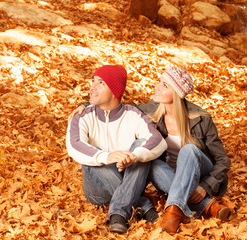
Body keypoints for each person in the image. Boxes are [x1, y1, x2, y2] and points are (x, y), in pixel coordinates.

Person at [66, 65, 167, 234]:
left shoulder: (132, 114)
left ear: (114, 90)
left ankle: (119, 212)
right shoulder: (83, 116)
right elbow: (74, 144)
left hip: (128, 178)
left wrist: (134, 157)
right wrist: (106, 156)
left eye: (100, 83)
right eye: (92, 81)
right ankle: (141, 204)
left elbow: (157, 141)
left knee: (141, 147)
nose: (92, 87)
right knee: (91, 156)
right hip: (98, 192)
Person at [136, 66, 231, 234]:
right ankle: (208, 206)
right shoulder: (152, 109)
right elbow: (116, 108)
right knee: (152, 162)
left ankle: (173, 212)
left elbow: (222, 161)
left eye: (165, 85)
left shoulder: (201, 119)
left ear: (178, 94)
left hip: (199, 173)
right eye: (159, 81)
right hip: (170, 176)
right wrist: (85, 106)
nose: (157, 86)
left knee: (188, 150)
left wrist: (206, 186)